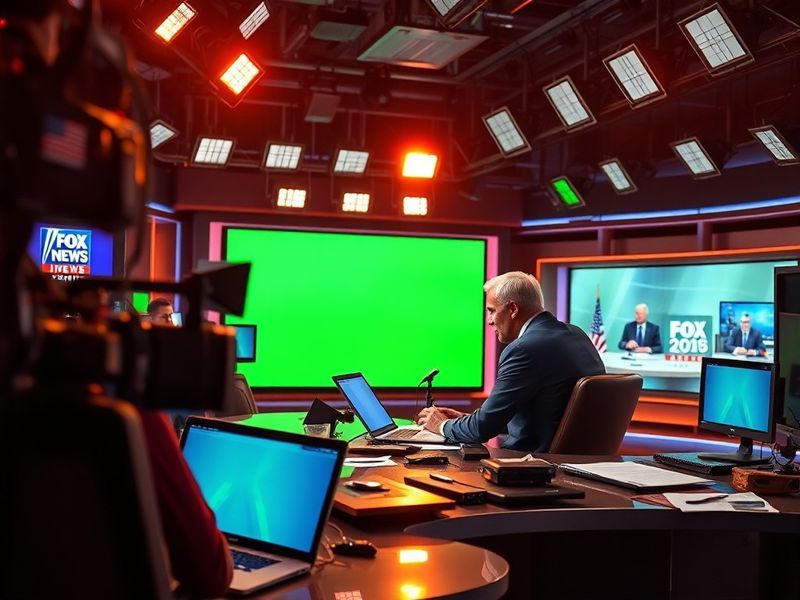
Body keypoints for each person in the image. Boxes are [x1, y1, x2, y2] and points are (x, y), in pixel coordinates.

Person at [416, 271, 605, 452]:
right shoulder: (577, 335)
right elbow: (549, 416)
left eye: (492, 311)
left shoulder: (524, 349)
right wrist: (466, 421)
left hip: (530, 468)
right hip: (578, 464)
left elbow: (481, 431)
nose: (489, 321)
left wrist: (441, 425)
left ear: (513, 309)